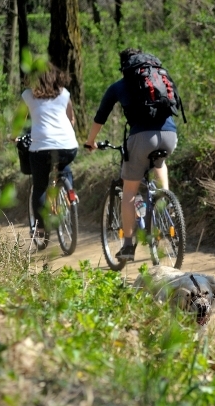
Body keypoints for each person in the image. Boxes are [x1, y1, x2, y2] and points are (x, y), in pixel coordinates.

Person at [84, 48, 178, 261]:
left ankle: (127, 245)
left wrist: (90, 142)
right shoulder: (160, 77)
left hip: (142, 138)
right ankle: (166, 200)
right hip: (170, 135)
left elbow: (100, 118)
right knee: (159, 163)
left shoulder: (119, 86)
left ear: (124, 66)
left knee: (129, 190)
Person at [22, 63, 78, 237]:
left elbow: (18, 122)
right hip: (68, 145)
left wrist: (13, 136)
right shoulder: (64, 93)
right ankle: (71, 196)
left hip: (41, 149)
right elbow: (72, 120)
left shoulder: (27, 95)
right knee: (64, 165)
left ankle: (40, 228)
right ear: (55, 75)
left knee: (39, 187)